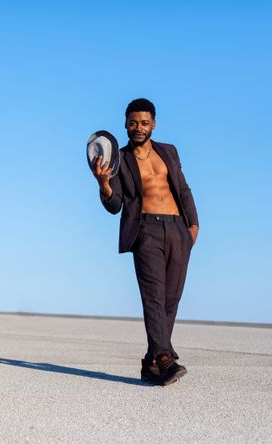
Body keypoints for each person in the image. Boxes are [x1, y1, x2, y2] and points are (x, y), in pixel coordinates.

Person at [92, 98, 199, 386]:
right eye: (132, 122)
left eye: (143, 122)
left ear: (153, 124)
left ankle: (151, 364)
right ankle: (165, 358)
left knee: (171, 300)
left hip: (178, 229)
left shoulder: (169, 151)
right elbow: (115, 205)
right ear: (125, 124)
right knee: (153, 297)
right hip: (146, 231)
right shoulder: (120, 159)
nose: (137, 127)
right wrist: (103, 184)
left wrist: (193, 225)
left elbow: (184, 189)